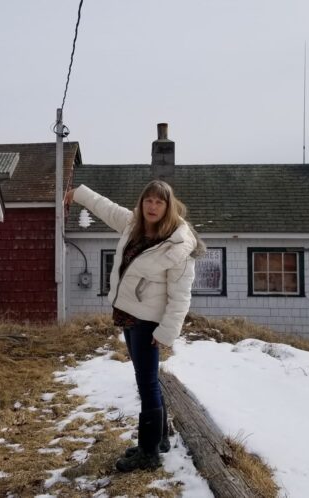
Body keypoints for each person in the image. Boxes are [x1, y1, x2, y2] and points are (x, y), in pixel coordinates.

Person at [65, 180, 205, 472]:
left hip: (147, 321)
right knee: (149, 379)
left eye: (159, 202)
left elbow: (181, 295)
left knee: (147, 383)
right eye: (148, 201)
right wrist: (78, 193)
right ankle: (160, 438)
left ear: (169, 206)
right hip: (128, 314)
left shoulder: (177, 245)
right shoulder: (133, 224)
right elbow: (106, 208)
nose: (152, 207)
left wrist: (166, 332)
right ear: (142, 204)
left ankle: (149, 452)